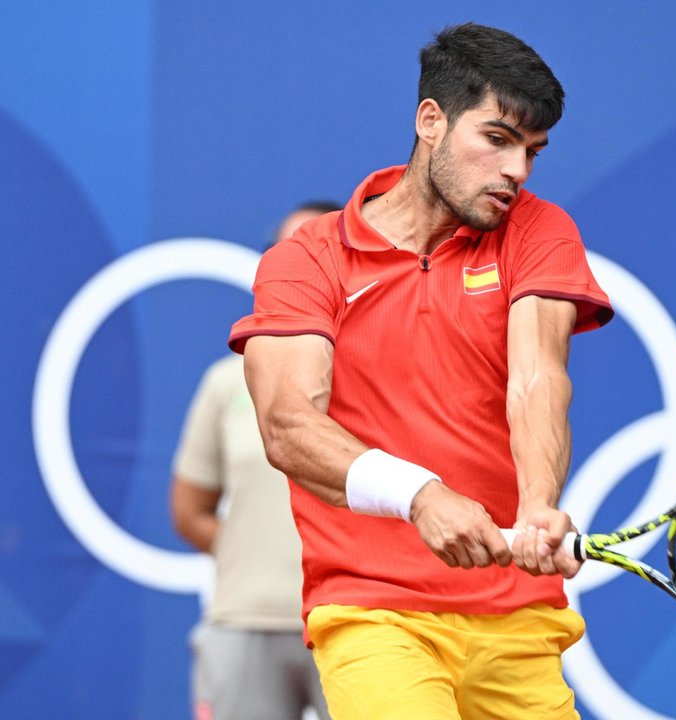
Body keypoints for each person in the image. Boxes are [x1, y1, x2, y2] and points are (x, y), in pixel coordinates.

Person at [228, 22, 613, 720]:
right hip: (375, 612)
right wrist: (420, 495)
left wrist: (536, 503)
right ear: (430, 120)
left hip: (518, 617)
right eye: (497, 139)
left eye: (532, 151)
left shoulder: (538, 230)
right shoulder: (308, 260)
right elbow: (287, 426)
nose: (517, 172)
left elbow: (538, 379)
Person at [171, 201, 341, 720]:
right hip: (245, 622)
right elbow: (189, 511)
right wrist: (256, 563)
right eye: (285, 253)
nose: (300, 266)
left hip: (362, 618)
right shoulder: (227, 382)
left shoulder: (393, 377)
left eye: (319, 252)